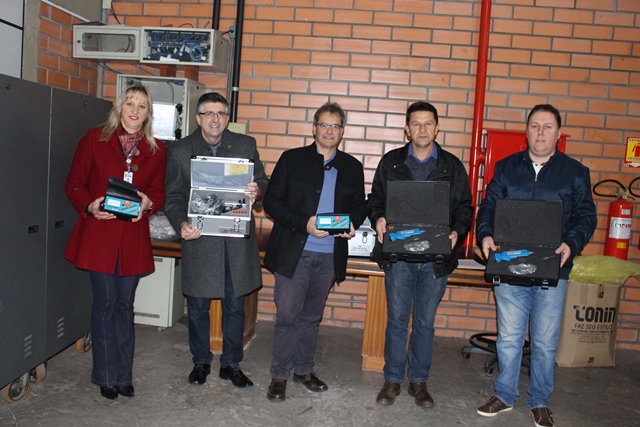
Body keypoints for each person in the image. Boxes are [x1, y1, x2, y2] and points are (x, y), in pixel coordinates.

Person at [475, 104, 597, 427]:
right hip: (510, 267)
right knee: (509, 337)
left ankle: (540, 401)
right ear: (526, 131)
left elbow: (586, 216)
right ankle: (504, 395)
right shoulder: (505, 168)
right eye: (534, 126)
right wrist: (485, 235)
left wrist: (571, 244)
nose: (540, 132)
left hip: (553, 270)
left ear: (558, 133)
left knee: (544, 342)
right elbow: (488, 206)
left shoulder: (575, 173)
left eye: (547, 127)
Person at [368, 101, 473, 408]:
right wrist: (379, 218)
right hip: (399, 257)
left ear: (437, 129)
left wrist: (457, 232)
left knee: (425, 323)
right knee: (397, 320)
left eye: (428, 123)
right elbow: (375, 199)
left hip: (435, 259)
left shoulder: (452, 166)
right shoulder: (391, 162)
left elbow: (464, 208)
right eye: (416, 123)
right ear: (407, 128)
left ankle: (419, 382)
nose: (422, 129)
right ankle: (392, 380)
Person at [64, 84, 166, 400]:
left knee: (124, 304)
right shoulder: (94, 139)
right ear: (120, 106)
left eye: (142, 106)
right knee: (105, 302)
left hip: (132, 238)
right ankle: (106, 376)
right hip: (99, 235)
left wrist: (149, 204)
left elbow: (158, 192)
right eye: (130, 103)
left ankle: (124, 376)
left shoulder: (157, 150)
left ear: (148, 114)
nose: (135, 110)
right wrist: (90, 205)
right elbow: (74, 183)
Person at [263, 102, 367, 401]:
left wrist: (352, 223)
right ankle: (279, 375)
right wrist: (304, 224)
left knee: (311, 316)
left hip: (329, 255)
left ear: (342, 131)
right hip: (294, 252)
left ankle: (303, 370)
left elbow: (359, 206)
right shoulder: (292, 159)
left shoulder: (352, 167)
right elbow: (272, 202)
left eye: (335, 126)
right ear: (314, 128)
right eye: (324, 124)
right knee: (287, 316)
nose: (329, 130)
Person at [163, 92, 268, 389]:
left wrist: (257, 190)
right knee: (197, 308)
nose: (215, 119)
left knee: (235, 307)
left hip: (235, 243)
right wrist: (181, 224)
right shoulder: (180, 150)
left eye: (221, 113)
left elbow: (262, 180)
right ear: (198, 118)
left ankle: (231, 363)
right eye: (209, 113)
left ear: (227, 118)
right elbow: (173, 197)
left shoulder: (245, 145)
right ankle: (201, 361)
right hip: (200, 240)